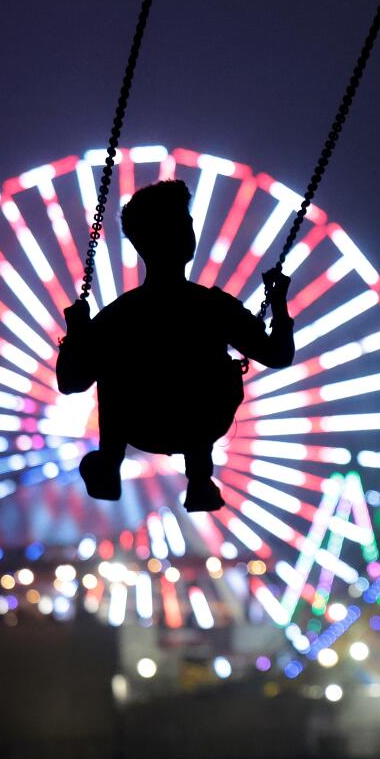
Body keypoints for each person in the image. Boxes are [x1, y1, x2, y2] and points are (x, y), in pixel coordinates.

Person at [55, 179, 294, 511]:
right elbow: (278, 355)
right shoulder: (212, 307)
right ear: (180, 236)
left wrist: (77, 332)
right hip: (198, 423)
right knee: (209, 371)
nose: (190, 229)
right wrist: (279, 305)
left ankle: (110, 459)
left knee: (114, 371)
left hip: (141, 426)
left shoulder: (120, 316)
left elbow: (71, 382)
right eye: (185, 223)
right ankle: (199, 477)